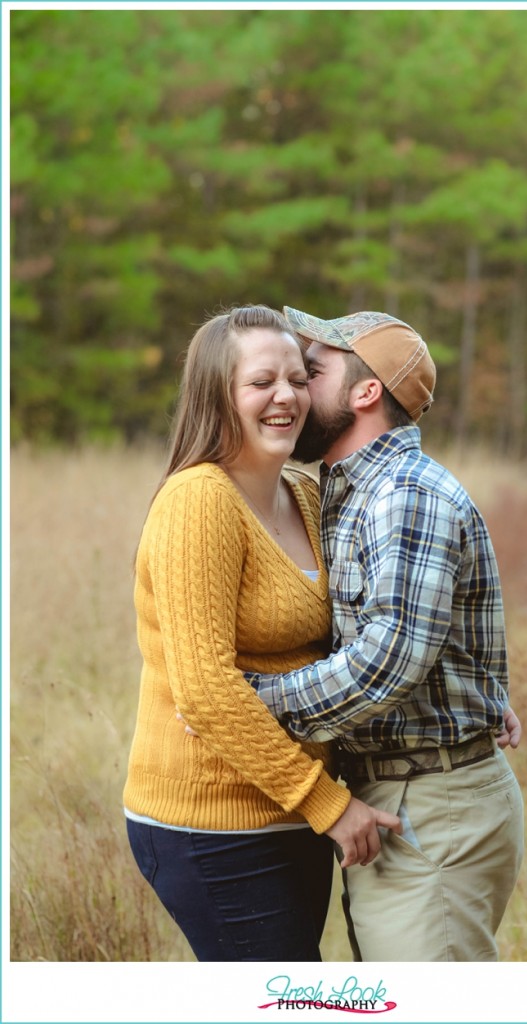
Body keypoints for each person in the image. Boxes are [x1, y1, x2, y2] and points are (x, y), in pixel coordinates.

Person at [244, 306, 525, 962]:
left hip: (431, 806)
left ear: (364, 393)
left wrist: (250, 701)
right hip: (406, 794)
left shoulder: (403, 493)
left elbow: (385, 662)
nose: (291, 388)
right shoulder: (347, 492)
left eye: (311, 373)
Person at [122, 304, 401, 963]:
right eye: (261, 382)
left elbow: (365, 637)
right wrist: (327, 803)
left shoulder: (304, 494)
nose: (287, 397)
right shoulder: (199, 501)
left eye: (299, 378)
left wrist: (473, 694)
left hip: (290, 814)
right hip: (212, 823)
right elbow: (206, 689)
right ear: (217, 396)